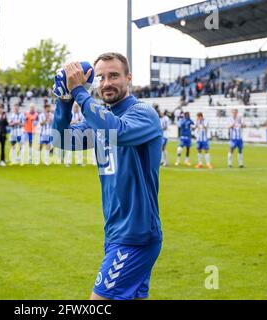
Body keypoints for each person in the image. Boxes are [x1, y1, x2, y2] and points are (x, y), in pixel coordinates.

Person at [53, 53, 162, 300]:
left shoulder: (142, 113)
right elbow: (62, 139)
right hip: (115, 231)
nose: (106, 83)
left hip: (135, 234)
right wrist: (64, 100)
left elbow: (116, 130)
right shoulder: (100, 119)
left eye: (114, 75)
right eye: (101, 77)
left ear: (129, 78)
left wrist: (80, 92)